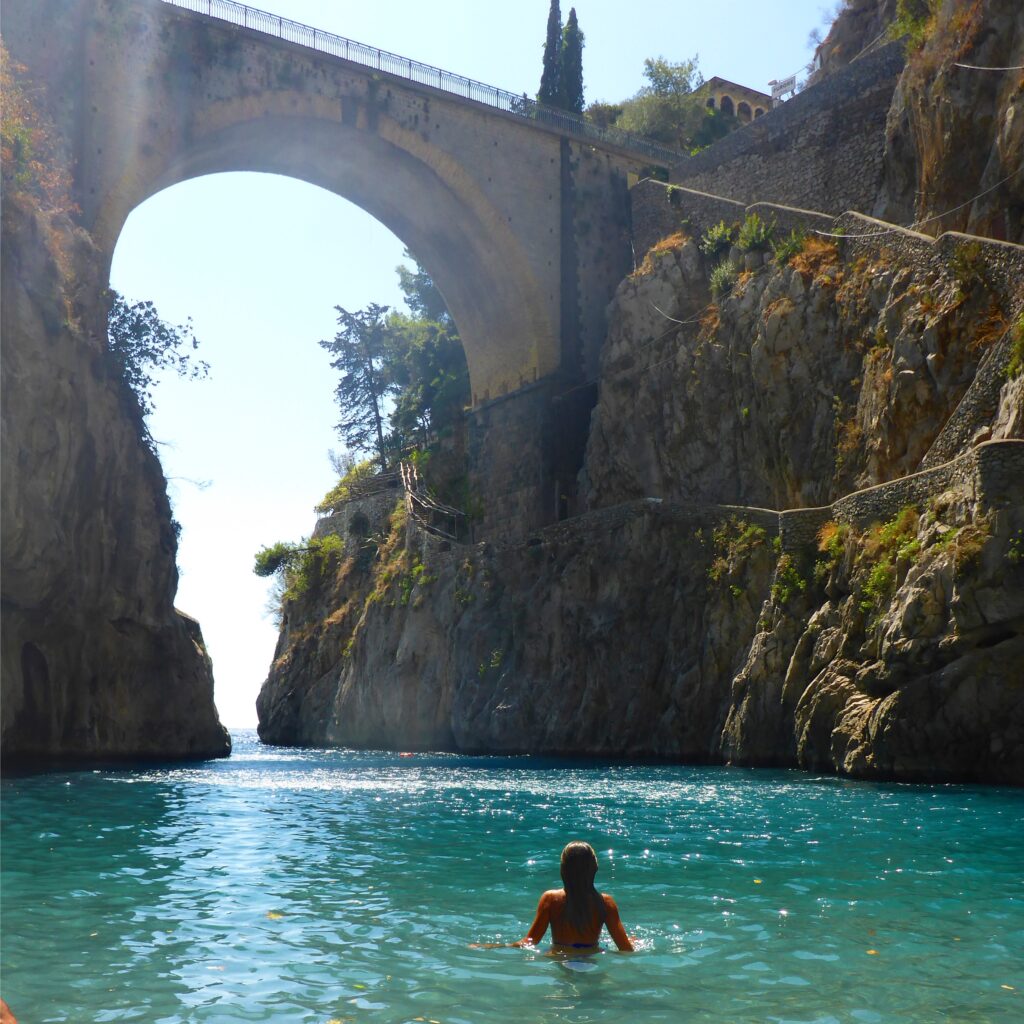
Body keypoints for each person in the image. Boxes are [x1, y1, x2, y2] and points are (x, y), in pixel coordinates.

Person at [521, 841, 634, 952]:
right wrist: (631, 942)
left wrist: (505, 946)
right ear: (594, 868)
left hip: (559, 957)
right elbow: (625, 949)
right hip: (590, 959)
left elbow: (530, 942)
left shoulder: (550, 899)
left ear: (564, 868)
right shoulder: (605, 902)